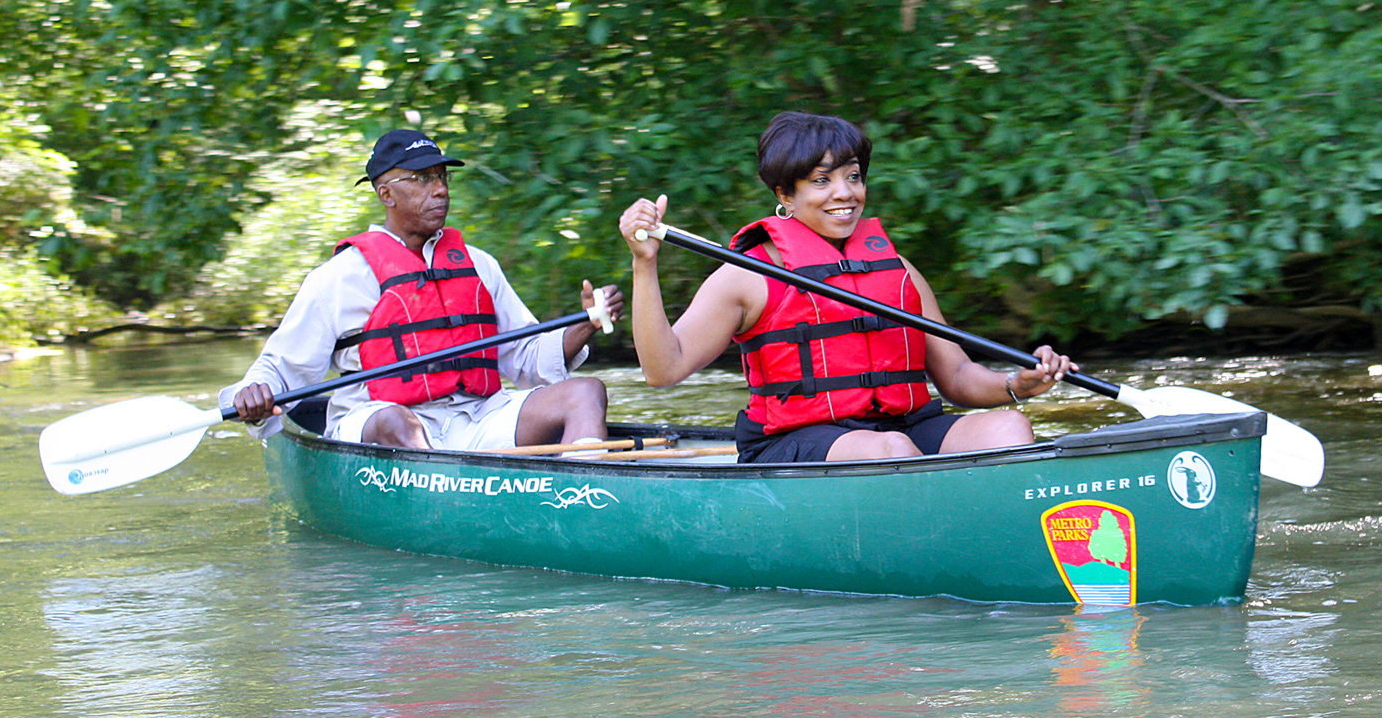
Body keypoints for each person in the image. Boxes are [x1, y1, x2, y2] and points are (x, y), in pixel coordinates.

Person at [617, 111, 1076, 463]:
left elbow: (956, 377)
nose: (845, 193)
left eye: (853, 176)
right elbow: (664, 371)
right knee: (891, 450)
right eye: (822, 181)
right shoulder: (747, 276)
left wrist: (1018, 384)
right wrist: (644, 265)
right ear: (785, 195)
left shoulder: (898, 270)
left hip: (901, 428)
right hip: (795, 443)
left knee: (1008, 428)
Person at [222, 128, 624, 451]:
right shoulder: (337, 278)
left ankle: (587, 496)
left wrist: (587, 323)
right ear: (386, 194)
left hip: (477, 417)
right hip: (378, 422)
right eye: (421, 179)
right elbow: (281, 368)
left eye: (442, 176)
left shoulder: (478, 264)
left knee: (585, 392)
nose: (441, 189)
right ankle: (443, 506)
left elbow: (528, 360)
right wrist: (253, 396)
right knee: (397, 421)